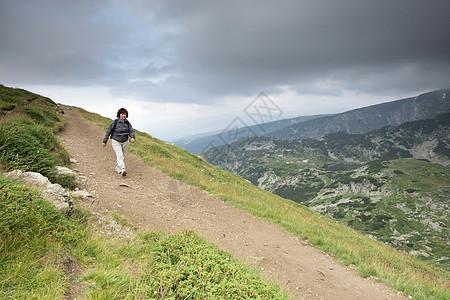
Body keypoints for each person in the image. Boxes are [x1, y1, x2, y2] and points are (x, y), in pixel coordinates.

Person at [102, 108, 135, 176]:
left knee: (122, 155)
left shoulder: (127, 123)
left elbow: (131, 131)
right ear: (119, 115)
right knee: (120, 155)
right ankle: (123, 169)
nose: (124, 115)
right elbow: (109, 131)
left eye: (125, 114)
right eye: (122, 114)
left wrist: (132, 137)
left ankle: (117, 167)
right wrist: (105, 141)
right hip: (116, 141)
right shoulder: (115, 122)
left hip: (125, 141)